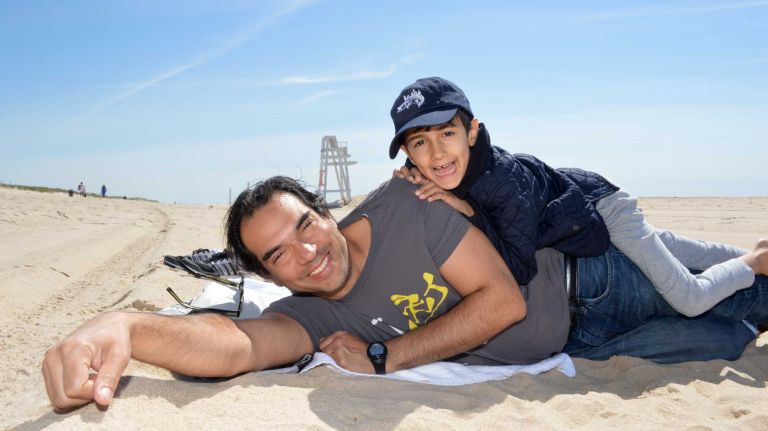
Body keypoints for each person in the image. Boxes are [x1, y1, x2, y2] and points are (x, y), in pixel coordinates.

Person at [42, 176, 768, 411]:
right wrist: (129, 327)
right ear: (270, 275)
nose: (307, 251)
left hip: (598, 273)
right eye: (279, 254)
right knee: (737, 332)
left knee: (747, 275)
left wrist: (385, 354)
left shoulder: (401, 207)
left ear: (326, 210)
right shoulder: (309, 310)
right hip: (583, 344)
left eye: (305, 224)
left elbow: (501, 303)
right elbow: (238, 346)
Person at [389, 77, 755, 317]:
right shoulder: (438, 167)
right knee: (669, 247)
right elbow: (423, 176)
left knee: (688, 299)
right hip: (575, 200)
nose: (436, 154)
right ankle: (752, 252)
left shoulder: (500, 182)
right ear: (408, 150)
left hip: (603, 209)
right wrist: (409, 182)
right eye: (420, 142)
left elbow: (518, 268)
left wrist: (466, 210)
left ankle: (753, 262)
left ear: (471, 131)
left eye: (446, 134)